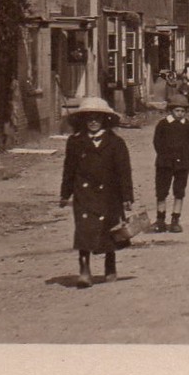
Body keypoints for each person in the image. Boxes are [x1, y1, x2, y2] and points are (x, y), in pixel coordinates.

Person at [58, 96, 135, 288]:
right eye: (89, 118)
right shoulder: (75, 142)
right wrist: (65, 194)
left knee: (108, 229)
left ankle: (110, 264)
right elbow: (69, 170)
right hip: (84, 194)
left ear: (104, 120)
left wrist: (127, 197)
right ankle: (84, 270)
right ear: (83, 121)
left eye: (97, 118)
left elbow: (124, 171)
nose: (93, 122)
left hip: (110, 194)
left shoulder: (116, 143)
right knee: (84, 230)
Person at [152, 97, 189, 233]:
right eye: (177, 110)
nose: (180, 113)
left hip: (182, 164)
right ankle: (160, 219)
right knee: (162, 191)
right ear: (171, 111)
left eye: (183, 111)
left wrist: (185, 158)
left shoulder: (188, 126)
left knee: (179, 191)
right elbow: (157, 143)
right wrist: (164, 156)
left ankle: (175, 219)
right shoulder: (163, 124)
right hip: (164, 163)